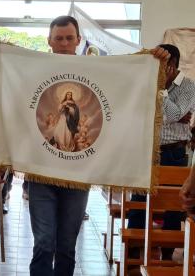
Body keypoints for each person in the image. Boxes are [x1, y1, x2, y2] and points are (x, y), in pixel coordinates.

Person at [28, 15, 170, 276]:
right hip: (41, 172)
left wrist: (153, 62)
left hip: (78, 174)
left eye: (69, 38)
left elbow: (125, 79)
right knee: (44, 242)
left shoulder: (93, 71)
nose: (64, 43)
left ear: (78, 40)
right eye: (58, 38)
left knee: (67, 245)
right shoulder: (34, 70)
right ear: (49, 41)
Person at [128, 43, 195, 259]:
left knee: (173, 206)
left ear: (171, 65)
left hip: (174, 152)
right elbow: (139, 111)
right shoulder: (146, 81)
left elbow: (173, 115)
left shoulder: (189, 86)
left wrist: (161, 90)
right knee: (139, 201)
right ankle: (134, 251)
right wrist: (171, 110)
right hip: (146, 150)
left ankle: (167, 255)